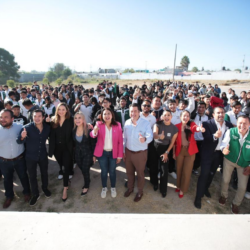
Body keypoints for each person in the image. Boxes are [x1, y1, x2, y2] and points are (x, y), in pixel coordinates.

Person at [194, 107, 233, 209]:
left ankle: (206, 189)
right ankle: (198, 197)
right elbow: (206, 138)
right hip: (207, 154)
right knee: (204, 174)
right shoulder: (207, 124)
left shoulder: (228, 125)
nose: (221, 114)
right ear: (213, 115)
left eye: (222, 112)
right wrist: (214, 136)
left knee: (212, 174)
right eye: (218, 113)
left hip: (219, 154)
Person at [17, 109, 51, 206]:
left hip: (43, 155)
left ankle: (45, 188)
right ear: (32, 117)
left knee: (44, 173)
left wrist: (51, 122)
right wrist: (22, 137)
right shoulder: (26, 128)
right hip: (30, 156)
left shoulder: (47, 127)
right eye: (35, 116)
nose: (37, 118)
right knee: (32, 176)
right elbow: (18, 141)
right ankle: (35, 194)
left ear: (43, 117)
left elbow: (53, 135)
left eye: (39, 116)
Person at [219, 115, 250, 214]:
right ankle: (224, 196)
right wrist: (224, 149)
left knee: (242, 187)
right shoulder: (231, 131)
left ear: (249, 124)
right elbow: (224, 144)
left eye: (245, 123)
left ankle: (236, 204)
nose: (242, 125)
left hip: (244, 164)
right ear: (237, 123)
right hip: (230, 160)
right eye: (240, 123)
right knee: (225, 180)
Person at [0, 109, 31, 208]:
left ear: (12, 118)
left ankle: (27, 193)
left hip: (19, 159)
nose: (2, 119)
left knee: (23, 176)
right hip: (4, 161)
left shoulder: (20, 127)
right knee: (7, 179)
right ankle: (9, 196)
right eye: (1, 117)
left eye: (5, 117)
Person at [90, 108, 123, 198]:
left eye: (109, 113)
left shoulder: (118, 125)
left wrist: (120, 156)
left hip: (113, 153)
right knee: (104, 171)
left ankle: (113, 187)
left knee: (112, 171)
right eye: (105, 114)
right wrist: (95, 131)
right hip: (102, 153)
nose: (107, 116)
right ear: (102, 116)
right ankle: (104, 187)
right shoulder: (99, 124)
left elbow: (120, 141)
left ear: (112, 115)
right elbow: (92, 135)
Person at [123, 103, 153, 202]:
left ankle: (140, 192)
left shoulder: (145, 123)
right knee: (129, 173)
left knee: (140, 174)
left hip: (140, 154)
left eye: (135, 111)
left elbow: (150, 136)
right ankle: (130, 188)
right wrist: (123, 151)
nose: (133, 113)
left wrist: (144, 139)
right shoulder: (127, 122)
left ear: (139, 112)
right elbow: (124, 138)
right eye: (131, 111)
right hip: (128, 152)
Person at [175, 110, 205, 198]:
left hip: (190, 151)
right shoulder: (176, 126)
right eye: (184, 116)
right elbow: (174, 141)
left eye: (187, 116)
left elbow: (195, 128)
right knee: (179, 169)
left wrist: (199, 129)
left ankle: (182, 189)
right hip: (180, 151)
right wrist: (173, 152)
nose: (186, 117)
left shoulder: (191, 125)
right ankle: (178, 185)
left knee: (187, 171)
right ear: (180, 117)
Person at [48, 103, 74, 201]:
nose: (61, 111)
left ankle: (65, 188)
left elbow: (79, 124)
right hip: (56, 149)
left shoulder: (71, 120)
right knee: (61, 164)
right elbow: (48, 132)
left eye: (63, 109)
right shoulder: (53, 120)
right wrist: (46, 122)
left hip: (67, 148)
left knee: (65, 168)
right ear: (57, 110)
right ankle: (68, 176)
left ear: (67, 110)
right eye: (59, 109)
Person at [151, 110, 178, 197]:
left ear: (171, 117)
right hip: (155, 147)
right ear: (162, 116)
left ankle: (163, 189)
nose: (166, 117)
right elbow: (154, 134)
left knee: (164, 170)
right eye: (165, 115)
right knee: (154, 166)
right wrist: (159, 136)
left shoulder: (174, 129)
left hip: (165, 149)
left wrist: (166, 152)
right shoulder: (157, 124)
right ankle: (154, 183)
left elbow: (172, 142)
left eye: (168, 115)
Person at [73, 112, 96, 197]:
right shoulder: (73, 130)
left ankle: (86, 185)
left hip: (88, 153)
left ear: (83, 119)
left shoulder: (89, 129)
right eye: (76, 118)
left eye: (79, 118)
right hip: (78, 154)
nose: (77, 120)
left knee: (85, 169)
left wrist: (94, 155)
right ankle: (87, 179)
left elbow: (93, 143)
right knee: (82, 169)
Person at [192, 101, 208, 175]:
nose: (201, 109)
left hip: (202, 140)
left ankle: (195, 168)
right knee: (191, 154)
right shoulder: (193, 115)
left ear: (205, 108)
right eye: (199, 107)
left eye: (202, 107)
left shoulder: (207, 117)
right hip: (193, 139)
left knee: (199, 155)